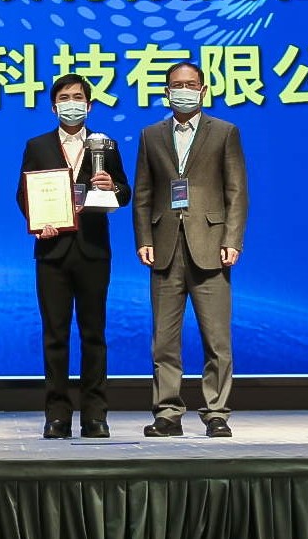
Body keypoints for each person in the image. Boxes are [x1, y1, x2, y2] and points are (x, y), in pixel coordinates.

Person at [133, 61, 249, 438]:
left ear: (202, 89)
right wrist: (143, 239)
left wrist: (232, 240)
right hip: (165, 247)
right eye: (176, 85)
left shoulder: (225, 132)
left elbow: (236, 191)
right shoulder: (151, 135)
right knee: (164, 340)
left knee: (217, 339)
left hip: (211, 246)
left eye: (190, 84)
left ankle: (216, 412)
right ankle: (167, 412)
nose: (183, 91)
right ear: (166, 92)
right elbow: (143, 193)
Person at [16, 74, 129, 439]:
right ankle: (57, 415)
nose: (71, 103)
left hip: (93, 250)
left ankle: (95, 415)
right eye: (64, 97)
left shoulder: (106, 145)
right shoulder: (37, 145)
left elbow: (125, 190)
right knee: (55, 336)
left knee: (94, 335)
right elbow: (24, 194)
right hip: (52, 252)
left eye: (78, 97)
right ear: (53, 107)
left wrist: (112, 187)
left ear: (89, 105)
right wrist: (39, 223)